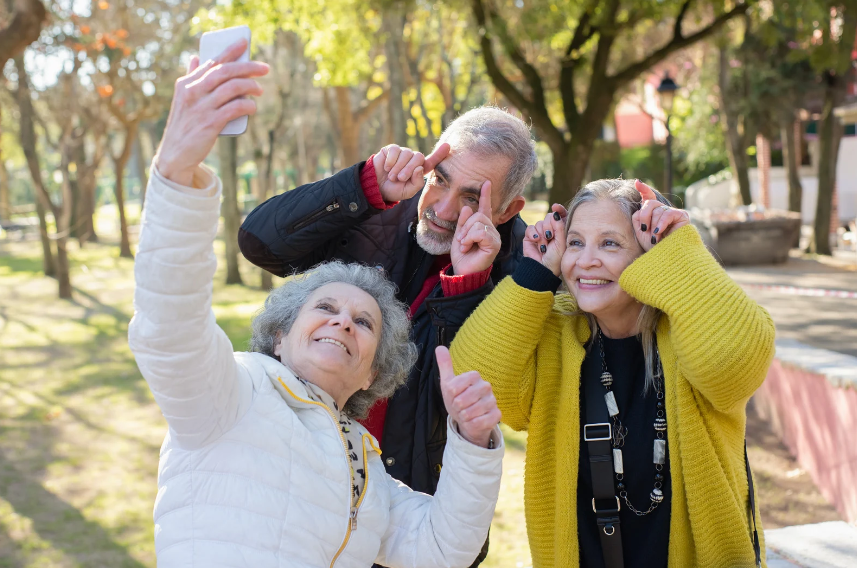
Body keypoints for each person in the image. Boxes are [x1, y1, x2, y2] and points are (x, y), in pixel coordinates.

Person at [129, 38, 505, 568]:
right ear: (280, 335)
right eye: (325, 309)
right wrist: (175, 171)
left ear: (374, 372)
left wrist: (472, 441)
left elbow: (443, 549)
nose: (343, 323)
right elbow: (169, 328)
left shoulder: (366, 468)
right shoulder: (232, 396)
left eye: (363, 322)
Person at [448, 178, 776, 568]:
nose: (586, 260)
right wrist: (534, 274)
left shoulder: (690, 329)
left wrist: (681, 252)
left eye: (609, 243)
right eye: (575, 242)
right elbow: (474, 380)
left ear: (648, 254)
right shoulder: (556, 334)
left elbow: (734, 364)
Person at [239, 106, 535, 512]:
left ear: (507, 211)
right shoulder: (378, 207)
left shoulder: (522, 275)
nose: (443, 210)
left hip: (409, 509)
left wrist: (466, 286)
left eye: (471, 198)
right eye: (440, 179)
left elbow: (453, 396)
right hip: (300, 480)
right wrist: (362, 186)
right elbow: (259, 243)